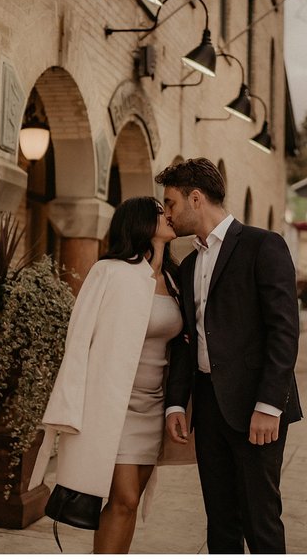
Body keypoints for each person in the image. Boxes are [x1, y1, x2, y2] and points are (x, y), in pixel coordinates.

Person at [155, 157, 302, 554]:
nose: (167, 213)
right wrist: (175, 405)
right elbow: (188, 339)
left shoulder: (262, 245)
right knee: (219, 521)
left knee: (260, 520)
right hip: (208, 408)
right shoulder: (187, 265)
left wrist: (270, 404)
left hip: (256, 407)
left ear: (196, 198)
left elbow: (284, 331)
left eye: (170, 203)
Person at [42, 196, 186, 553]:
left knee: (129, 503)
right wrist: (68, 407)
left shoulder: (175, 278)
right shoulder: (109, 271)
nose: (168, 215)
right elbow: (78, 340)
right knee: (123, 498)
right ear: (139, 223)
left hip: (153, 406)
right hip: (112, 407)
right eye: (159, 211)